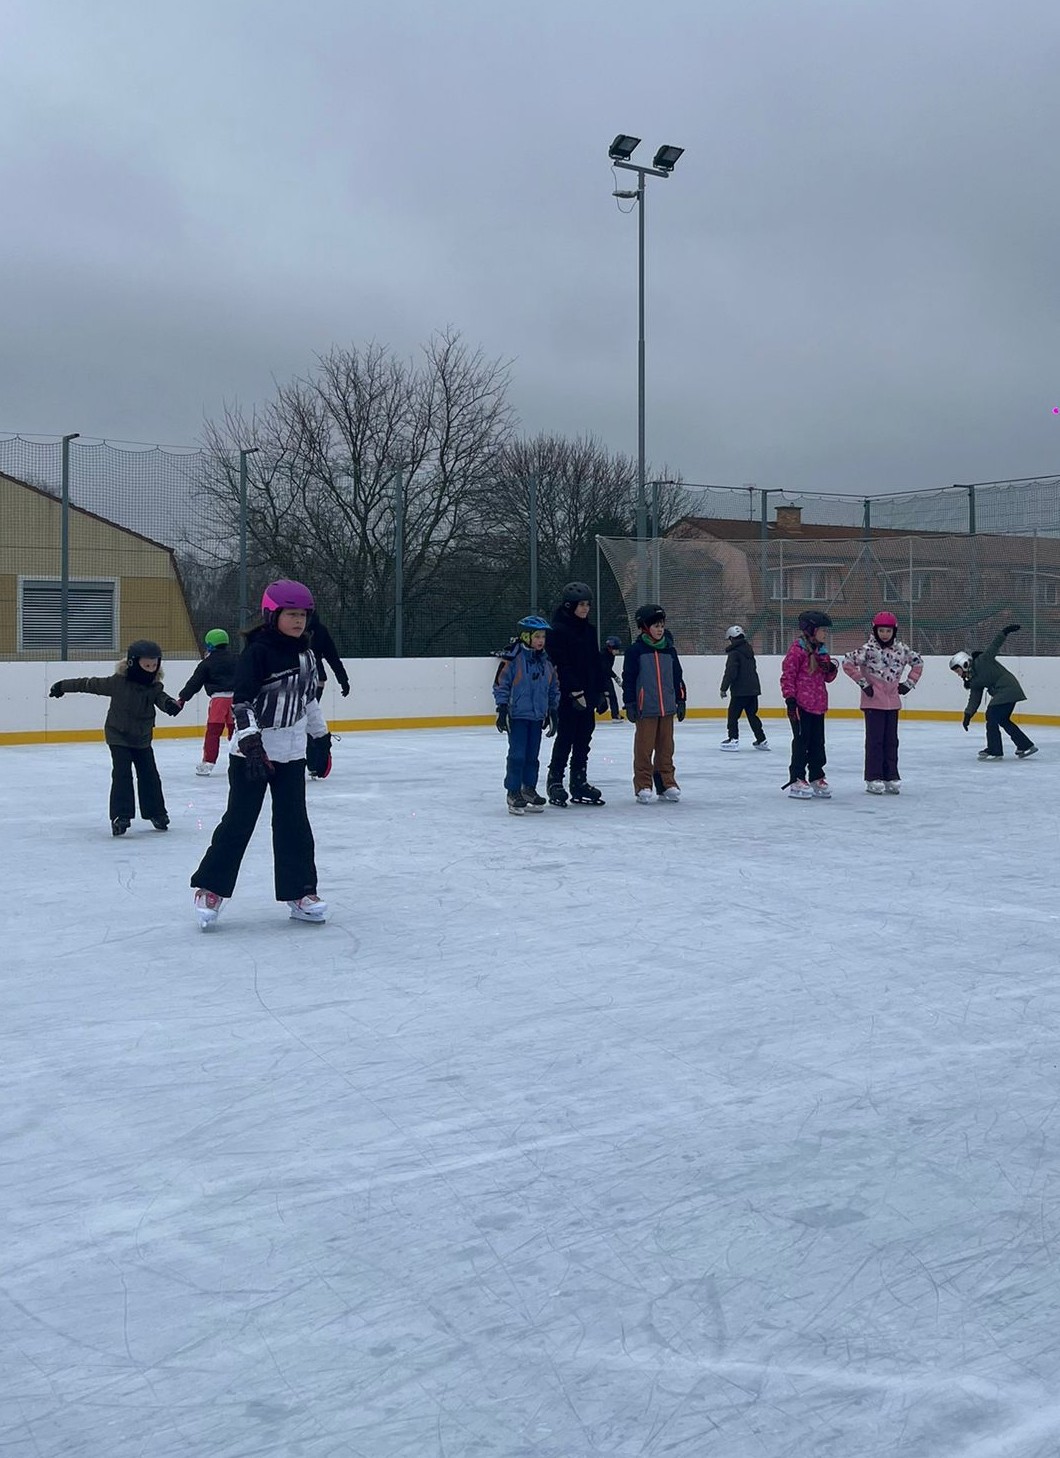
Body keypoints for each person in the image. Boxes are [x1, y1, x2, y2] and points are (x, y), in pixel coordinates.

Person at [190, 581, 331, 929]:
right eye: (291, 614)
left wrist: (321, 736)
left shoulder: (307, 655)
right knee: (239, 821)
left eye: (303, 615)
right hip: (250, 756)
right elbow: (242, 703)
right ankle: (210, 889)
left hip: (291, 754)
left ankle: (301, 892)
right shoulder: (257, 653)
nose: (298, 621)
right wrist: (252, 745)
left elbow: (308, 700)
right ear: (272, 615)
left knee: (294, 824)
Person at [48, 639, 182, 834]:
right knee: (122, 773)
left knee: (149, 775)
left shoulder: (154, 686)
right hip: (118, 735)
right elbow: (88, 684)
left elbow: (161, 698)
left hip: (142, 737)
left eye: (154, 666)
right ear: (133, 663)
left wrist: (169, 704)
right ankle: (121, 815)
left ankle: (156, 813)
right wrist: (62, 686)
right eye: (146, 666)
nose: (150, 670)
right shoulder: (117, 682)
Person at [842, 610, 924, 794]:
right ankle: (873, 776)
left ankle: (891, 775)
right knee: (875, 742)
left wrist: (909, 684)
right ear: (875, 630)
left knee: (891, 741)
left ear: (894, 631)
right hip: (873, 703)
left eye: (888, 631)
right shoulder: (868, 650)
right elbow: (847, 663)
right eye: (881, 631)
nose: (885, 634)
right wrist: (863, 684)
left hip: (893, 703)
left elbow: (918, 663)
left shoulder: (901, 650)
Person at [545, 581, 608, 806]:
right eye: (581, 605)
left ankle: (578, 781)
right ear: (569, 606)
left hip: (588, 693)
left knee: (584, 739)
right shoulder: (557, 631)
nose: (585, 608)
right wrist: (574, 691)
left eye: (588, 605)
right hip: (567, 697)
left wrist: (602, 691)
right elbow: (561, 665)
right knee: (566, 738)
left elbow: (596, 662)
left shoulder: (588, 630)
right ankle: (555, 780)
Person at [493, 614, 560, 815]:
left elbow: (553, 687)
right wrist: (502, 708)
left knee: (532, 756)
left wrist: (552, 710)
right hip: (518, 716)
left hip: (537, 716)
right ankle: (513, 791)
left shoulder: (546, 661)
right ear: (525, 636)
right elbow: (501, 684)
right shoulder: (513, 659)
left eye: (543, 637)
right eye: (537, 636)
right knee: (517, 755)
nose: (541, 641)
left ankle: (528, 788)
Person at [622, 603, 686, 803]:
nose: (660, 629)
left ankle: (666, 783)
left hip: (667, 707)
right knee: (644, 748)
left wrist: (681, 700)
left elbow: (678, 677)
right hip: (646, 707)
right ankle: (643, 784)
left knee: (666, 748)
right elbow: (629, 678)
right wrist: (630, 703)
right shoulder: (636, 651)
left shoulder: (669, 650)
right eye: (656, 626)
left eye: (662, 626)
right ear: (644, 627)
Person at [950, 623, 1037, 761]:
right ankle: (1025, 745)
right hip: (1009, 692)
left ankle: (995, 750)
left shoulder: (983, 661)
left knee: (991, 715)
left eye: (958, 670)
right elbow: (975, 698)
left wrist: (1005, 631)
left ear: (964, 663)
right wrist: (968, 715)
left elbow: (994, 646)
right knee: (1002, 719)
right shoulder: (974, 679)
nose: (958, 674)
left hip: (1007, 689)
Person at [780, 610, 838, 799]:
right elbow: (787, 676)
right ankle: (797, 778)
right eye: (822, 630)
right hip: (801, 706)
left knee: (817, 743)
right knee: (801, 743)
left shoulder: (822, 652)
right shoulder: (797, 650)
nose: (825, 633)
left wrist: (831, 669)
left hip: (818, 704)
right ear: (811, 630)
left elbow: (828, 678)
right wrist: (790, 699)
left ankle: (816, 776)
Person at [178, 628, 238, 775]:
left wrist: (183, 698)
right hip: (237, 699)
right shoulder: (237, 659)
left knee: (213, 732)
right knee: (237, 731)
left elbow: (195, 682)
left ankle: (208, 763)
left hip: (218, 700)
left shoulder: (207, 663)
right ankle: (241, 760)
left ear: (210, 645)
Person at [306, 612, 347, 779]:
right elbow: (332, 657)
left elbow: (332, 656)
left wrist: (343, 680)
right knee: (306, 721)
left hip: (311, 681)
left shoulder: (288, 627)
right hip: (311, 681)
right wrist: (343, 680)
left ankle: (315, 762)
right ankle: (314, 762)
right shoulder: (319, 629)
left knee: (303, 721)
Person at [719, 625, 768, 750]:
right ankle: (761, 739)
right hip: (753, 689)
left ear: (731, 638)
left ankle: (733, 739)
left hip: (740, 691)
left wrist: (724, 688)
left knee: (733, 716)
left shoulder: (734, 653)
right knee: (752, 715)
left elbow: (730, 672)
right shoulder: (749, 650)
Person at [600, 636, 624, 721]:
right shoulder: (603, 654)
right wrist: (616, 677)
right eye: (615, 649)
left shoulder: (611, 655)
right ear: (609, 648)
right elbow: (605, 669)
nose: (616, 651)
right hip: (600, 677)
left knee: (612, 696)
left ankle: (615, 715)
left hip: (606, 677)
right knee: (605, 696)